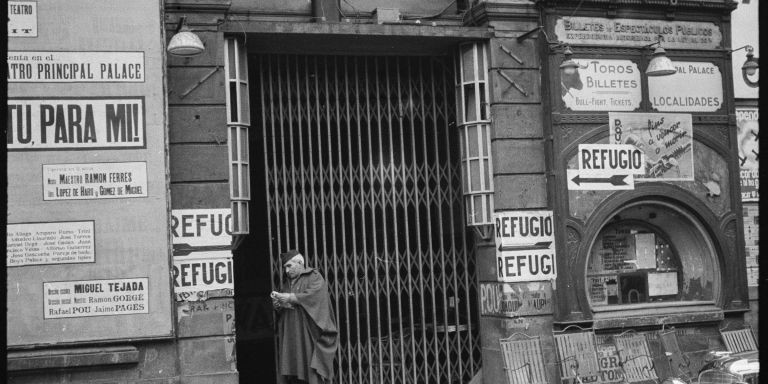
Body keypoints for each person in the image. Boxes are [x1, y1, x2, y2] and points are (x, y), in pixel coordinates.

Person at [271, 250, 338, 384]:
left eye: (289, 266)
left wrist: (291, 297)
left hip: (307, 334)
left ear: (300, 263)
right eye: (285, 267)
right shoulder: (287, 284)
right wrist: (279, 304)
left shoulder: (314, 277)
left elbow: (315, 296)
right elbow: (284, 306)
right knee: (293, 370)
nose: (286, 270)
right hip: (291, 334)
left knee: (310, 370)